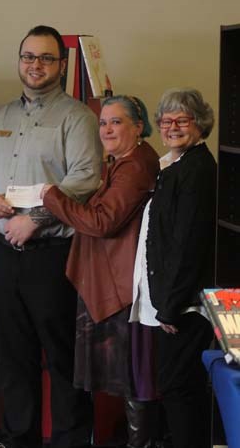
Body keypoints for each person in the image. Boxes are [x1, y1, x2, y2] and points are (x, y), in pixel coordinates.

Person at [0, 25, 102, 448]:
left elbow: (87, 179)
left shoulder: (76, 117)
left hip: (53, 253)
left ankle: (69, 440)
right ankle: (19, 437)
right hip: (5, 254)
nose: (35, 65)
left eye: (45, 58)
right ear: (19, 61)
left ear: (61, 66)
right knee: (14, 354)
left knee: (61, 355)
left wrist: (38, 218)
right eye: (29, 57)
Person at [42, 96, 160, 448]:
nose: (107, 129)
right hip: (111, 278)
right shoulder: (120, 162)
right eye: (103, 122)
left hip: (118, 284)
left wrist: (52, 197)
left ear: (138, 127)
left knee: (132, 374)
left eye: (116, 122)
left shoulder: (135, 166)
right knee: (127, 374)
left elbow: (102, 222)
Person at [130, 88, 217, 448]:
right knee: (176, 388)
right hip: (169, 302)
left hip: (181, 307)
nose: (172, 127)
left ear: (200, 124)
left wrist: (171, 306)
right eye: (166, 121)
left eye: (182, 120)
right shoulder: (177, 166)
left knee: (180, 391)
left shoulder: (196, 171)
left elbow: (187, 245)